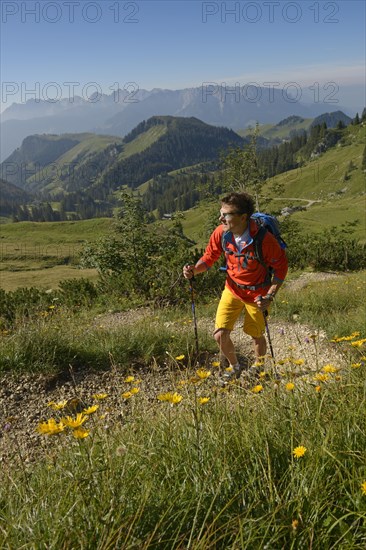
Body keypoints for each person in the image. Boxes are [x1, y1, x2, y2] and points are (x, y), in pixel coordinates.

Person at [183, 192, 288, 379]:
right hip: (232, 290)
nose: (220, 218)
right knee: (219, 334)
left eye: (226, 214)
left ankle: (259, 366)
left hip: (258, 294)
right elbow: (209, 257)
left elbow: (281, 266)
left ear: (243, 217)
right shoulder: (221, 233)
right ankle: (235, 366)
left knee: (255, 334)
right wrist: (194, 270)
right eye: (221, 213)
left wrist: (270, 295)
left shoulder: (263, 239)